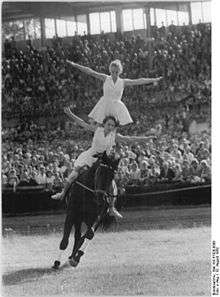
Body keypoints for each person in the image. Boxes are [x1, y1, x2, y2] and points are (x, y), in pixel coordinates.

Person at [52, 107, 159, 219]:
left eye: (112, 125)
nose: (110, 127)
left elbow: (130, 139)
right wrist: (70, 114)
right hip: (91, 156)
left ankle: (112, 207)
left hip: (103, 159)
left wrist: (147, 139)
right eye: (108, 124)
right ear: (104, 124)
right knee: (75, 173)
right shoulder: (97, 130)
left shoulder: (114, 136)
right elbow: (82, 123)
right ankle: (62, 193)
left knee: (110, 179)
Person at [66, 59, 162, 125]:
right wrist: (75, 65)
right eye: (112, 72)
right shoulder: (105, 78)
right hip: (105, 104)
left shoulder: (123, 82)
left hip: (116, 105)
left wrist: (154, 79)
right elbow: (90, 71)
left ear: (119, 71)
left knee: (113, 126)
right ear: (110, 71)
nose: (114, 74)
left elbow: (139, 80)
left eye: (116, 72)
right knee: (99, 125)